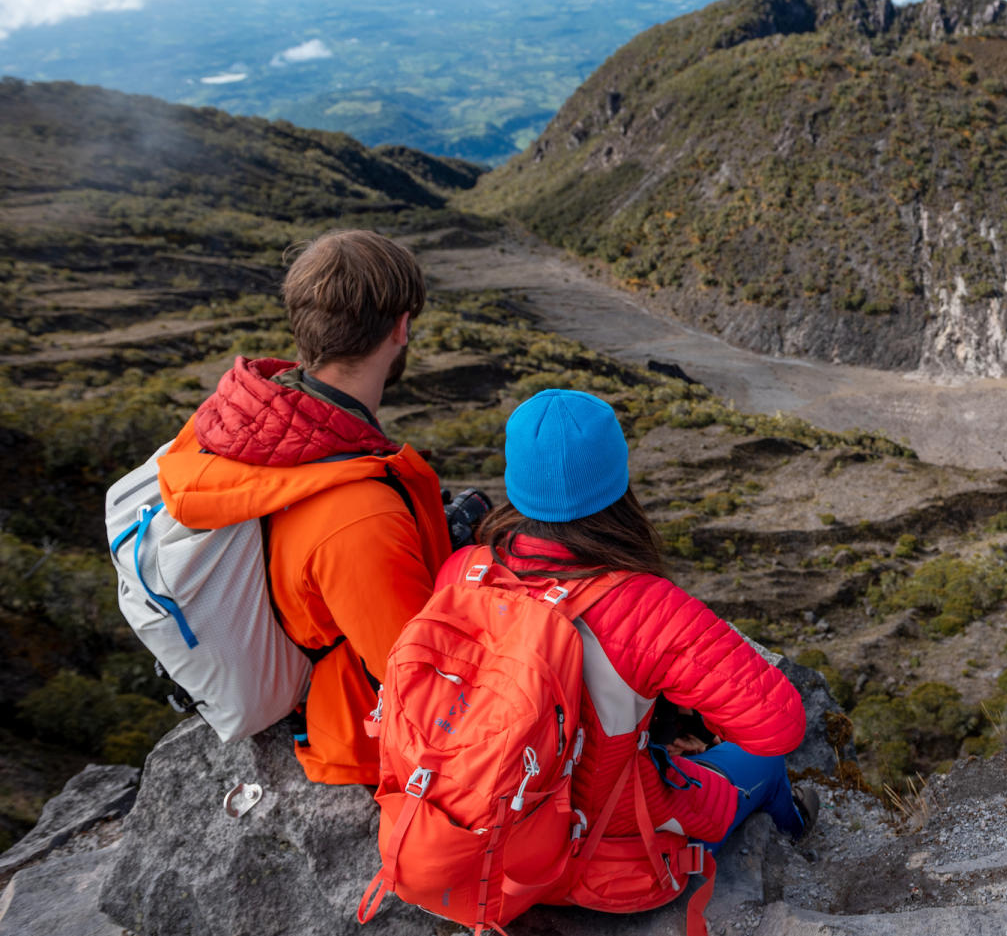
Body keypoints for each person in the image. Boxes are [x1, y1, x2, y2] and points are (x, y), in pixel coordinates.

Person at [446, 387, 816, 852]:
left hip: (477, 833)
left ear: (515, 479)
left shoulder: (464, 571)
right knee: (764, 765)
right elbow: (779, 725)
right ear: (617, 480)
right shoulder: (647, 608)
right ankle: (796, 839)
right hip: (600, 849)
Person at [155, 229, 452, 785]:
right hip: (355, 743)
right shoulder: (362, 515)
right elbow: (425, 687)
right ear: (401, 327)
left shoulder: (223, 422)